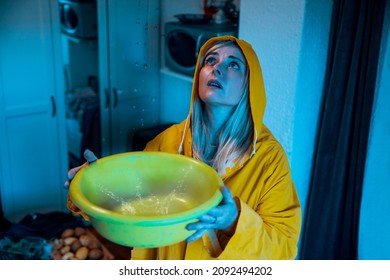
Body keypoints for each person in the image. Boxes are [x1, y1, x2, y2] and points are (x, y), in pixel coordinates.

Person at [66, 36, 301, 260]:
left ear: (251, 86)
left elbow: (283, 250)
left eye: (234, 65)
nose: (217, 69)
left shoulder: (269, 160)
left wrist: (234, 221)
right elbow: (135, 205)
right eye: (211, 60)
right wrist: (94, 185)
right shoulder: (165, 143)